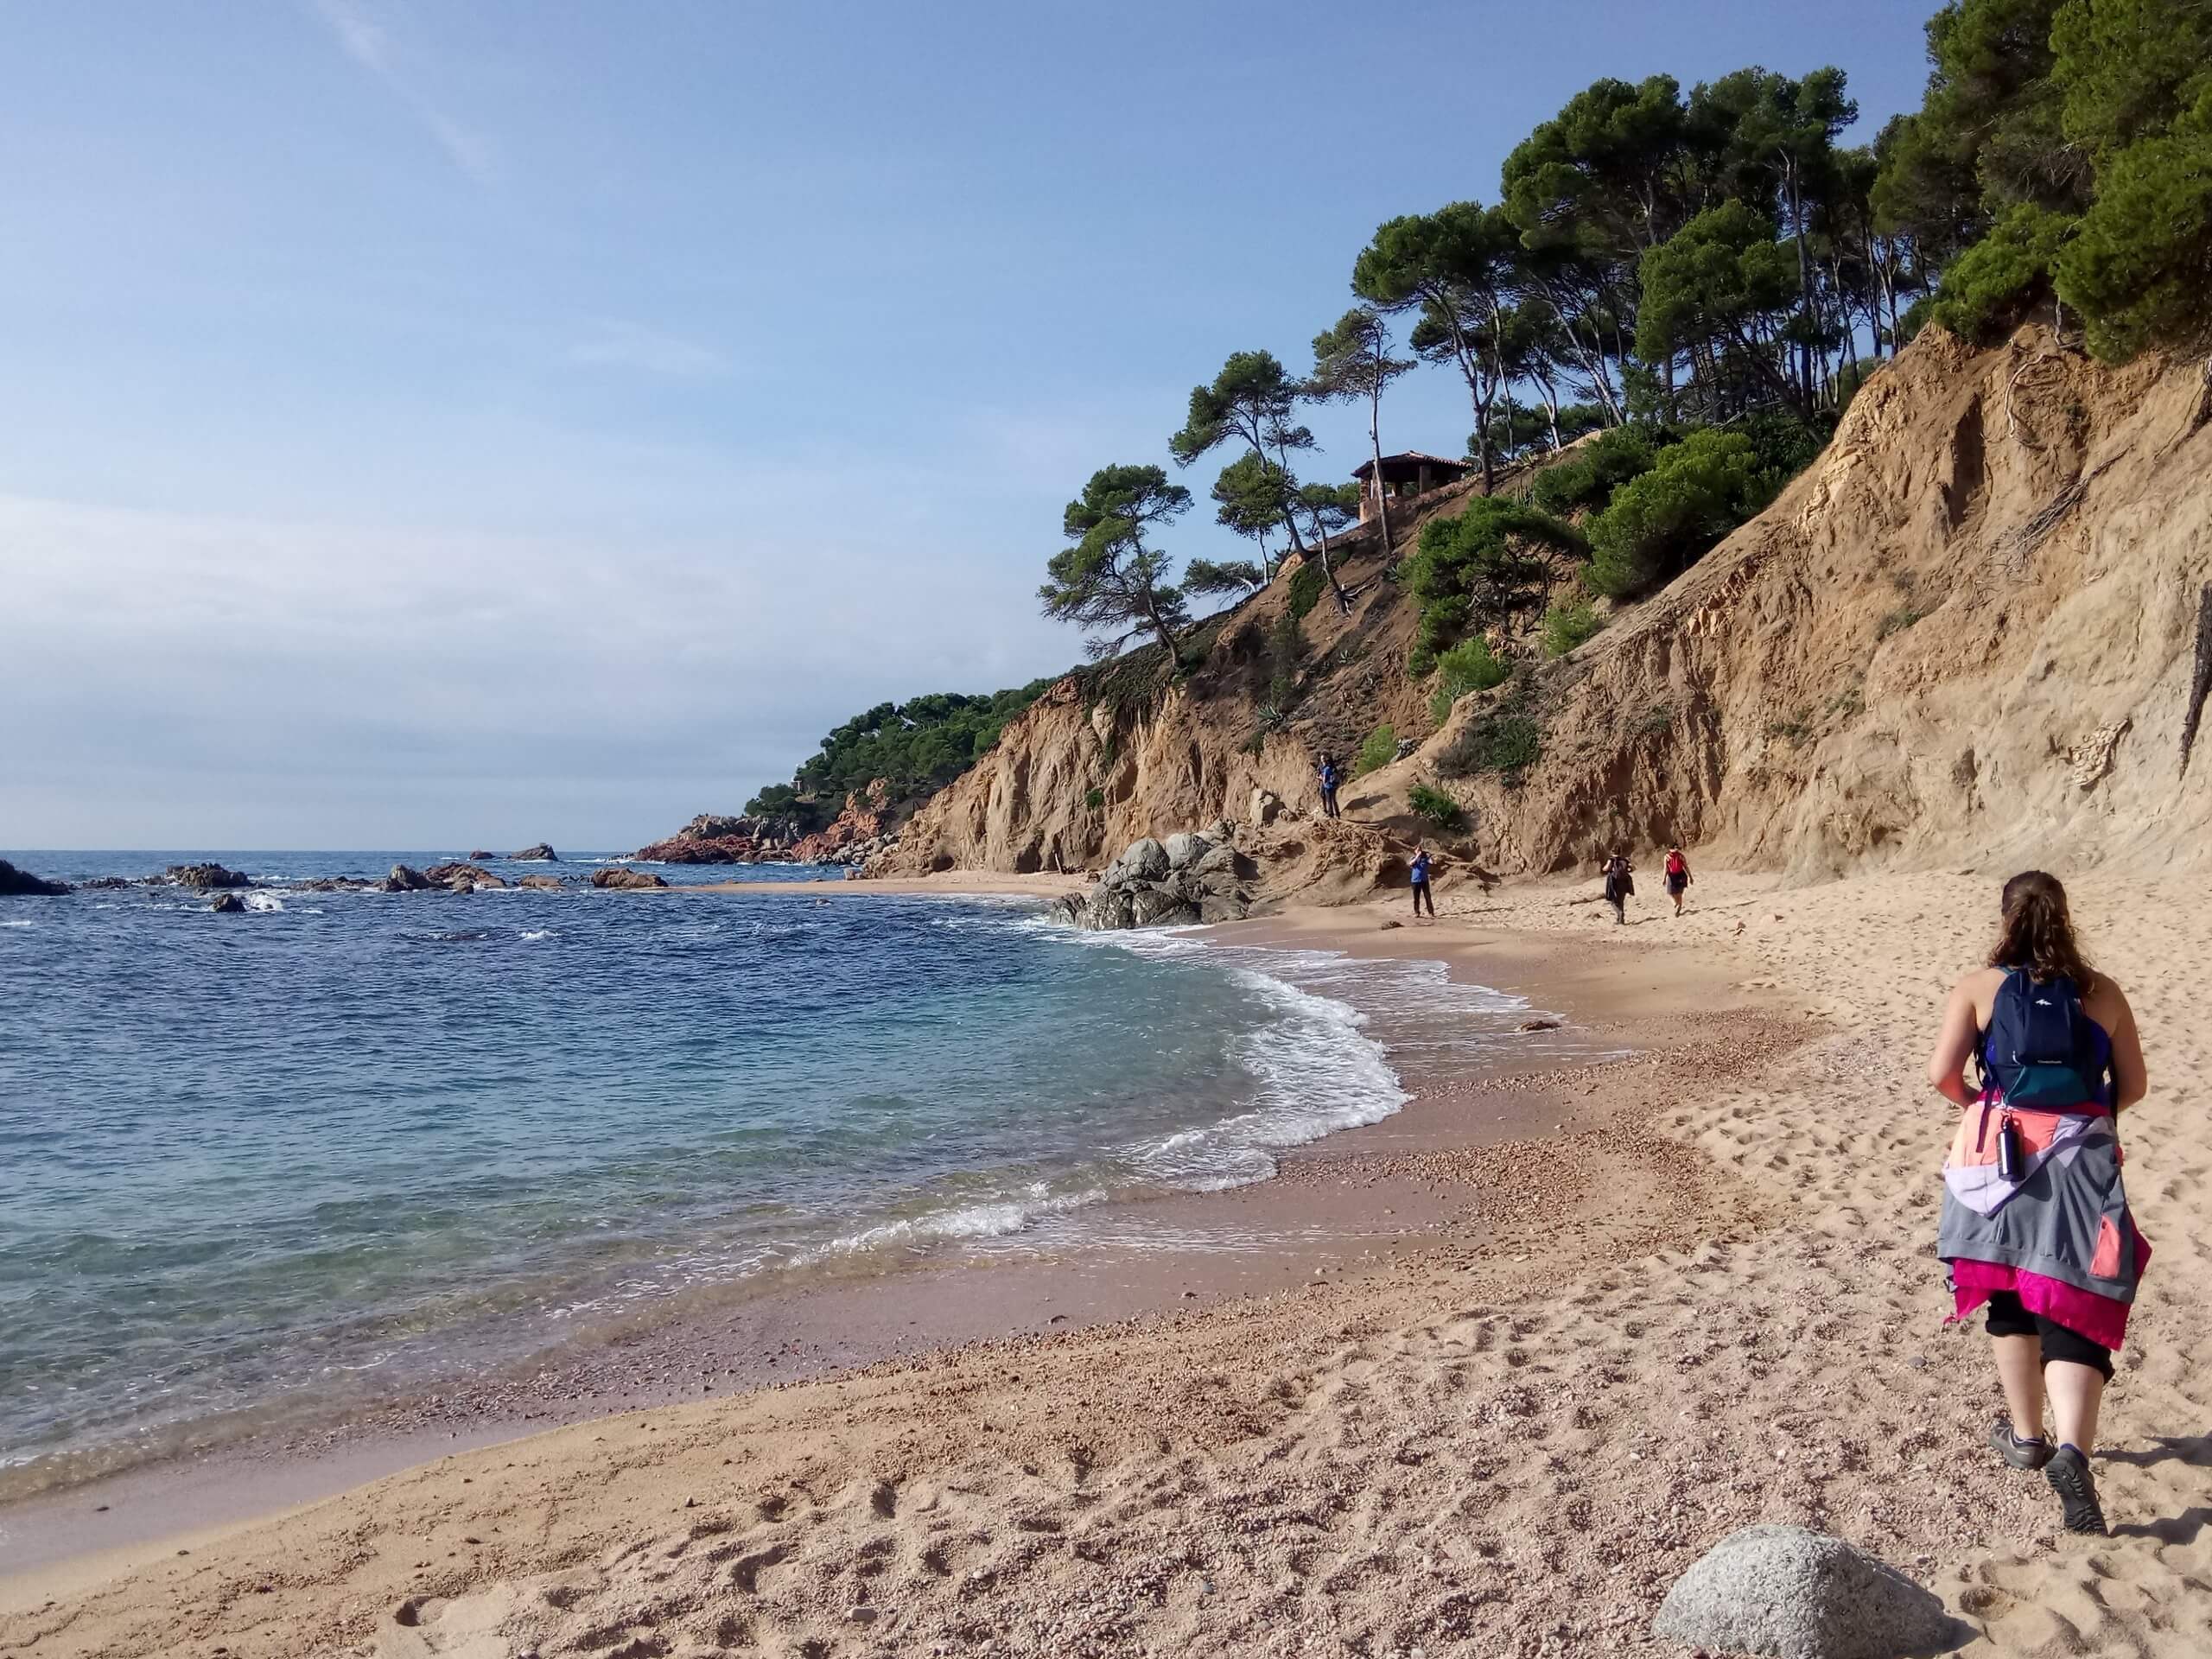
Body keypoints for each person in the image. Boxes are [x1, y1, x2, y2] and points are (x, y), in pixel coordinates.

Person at [1929, 871, 2148, 1536]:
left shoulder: (1977, 988)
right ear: (2065, 916)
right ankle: (2074, 1452)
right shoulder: (2102, 992)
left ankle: (2028, 1438)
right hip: (2082, 1160)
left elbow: (1942, 1075)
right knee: (2077, 1297)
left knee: (2010, 1295)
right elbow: (2132, 1085)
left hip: (2000, 1158)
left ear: (2006, 918)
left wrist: (1987, 1109)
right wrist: (2084, 1121)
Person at [1601, 853, 1633, 924]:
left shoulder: (1611, 859)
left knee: (1613, 902)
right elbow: (1632, 868)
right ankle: (1621, 920)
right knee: (1621, 901)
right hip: (1624, 882)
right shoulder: (1625, 860)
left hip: (1614, 882)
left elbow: (1606, 868)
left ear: (1613, 852)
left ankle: (1619, 913)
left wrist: (1603, 869)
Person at [1663, 845, 1693, 916]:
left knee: (1670, 893)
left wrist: (1664, 878)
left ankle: (1675, 904)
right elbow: (1686, 867)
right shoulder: (1681, 856)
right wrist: (1690, 877)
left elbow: (1666, 869)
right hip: (1681, 875)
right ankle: (1678, 908)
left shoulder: (1667, 857)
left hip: (1672, 876)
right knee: (1679, 894)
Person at [1408, 846, 1434, 918]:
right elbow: (1410, 864)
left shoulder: (1425, 858)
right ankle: (1417, 912)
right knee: (1416, 897)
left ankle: (1431, 912)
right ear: (1415, 851)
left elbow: (1432, 862)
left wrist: (1430, 856)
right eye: (1417, 850)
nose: (1419, 851)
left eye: (1420, 850)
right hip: (1415, 880)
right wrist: (1417, 856)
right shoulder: (1413, 858)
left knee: (1427, 896)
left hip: (1424, 880)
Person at [1317, 753, 1341, 820]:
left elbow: (1324, 779)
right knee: (1332, 800)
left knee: (1329, 800)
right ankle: (1337, 814)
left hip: (1327, 786)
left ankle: (1331, 814)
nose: (1324, 760)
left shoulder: (1326, 769)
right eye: (1323, 759)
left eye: (1324, 758)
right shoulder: (1330, 767)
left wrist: (1322, 779)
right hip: (1332, 785)